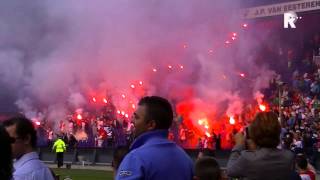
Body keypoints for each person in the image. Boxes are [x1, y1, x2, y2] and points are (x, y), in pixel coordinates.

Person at [116, 96, 194, 180]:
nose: (132, 121)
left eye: (137, 117)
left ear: (151, 125)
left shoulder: (135, 158)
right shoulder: (186, 160)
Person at [226, 112, 295, 180]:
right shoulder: (288, 157)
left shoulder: (247, 158)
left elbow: (230, 170)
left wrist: (239, 144)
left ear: (254, 133)